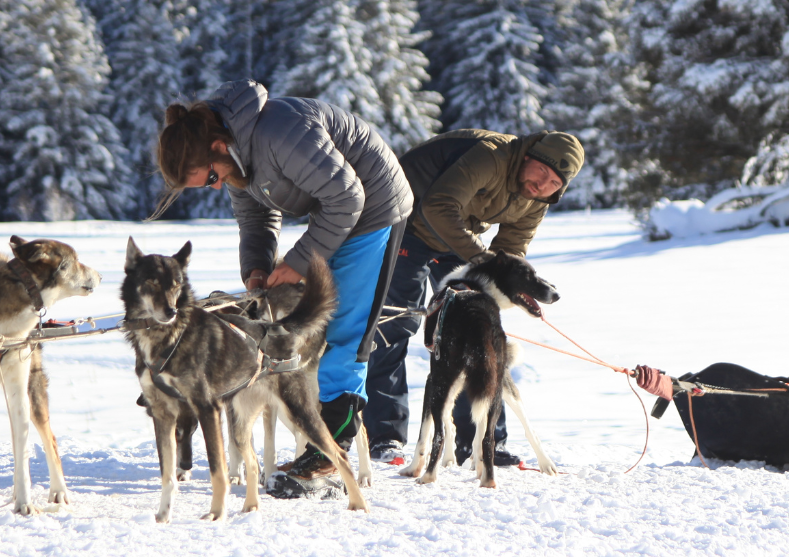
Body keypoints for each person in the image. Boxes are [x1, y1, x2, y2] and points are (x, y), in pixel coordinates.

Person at [156, 81, 411, 491]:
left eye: (209, 179)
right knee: (313, 326)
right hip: (339, 211)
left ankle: (332, 451)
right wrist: (257, 268)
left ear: (218, 148)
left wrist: (295, 262)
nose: (216, 186)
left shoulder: (280, 133)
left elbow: (347, 197)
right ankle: (320, 442)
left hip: (374, 207)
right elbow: (256, 218)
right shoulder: (236, 157)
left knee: (343, 328)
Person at [363, 129, 584, 465]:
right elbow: (437, 207)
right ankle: (386, 436)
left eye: (555, 183)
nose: (543, 185)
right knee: (396, 325)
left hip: (456, 235)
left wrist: (496, 288)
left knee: (477, 329)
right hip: (407, 220)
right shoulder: (492, 157)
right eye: (541, 171)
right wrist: (482, 260)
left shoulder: (537, 198)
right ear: (528, 158)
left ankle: (484, 441)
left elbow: (509, 252)